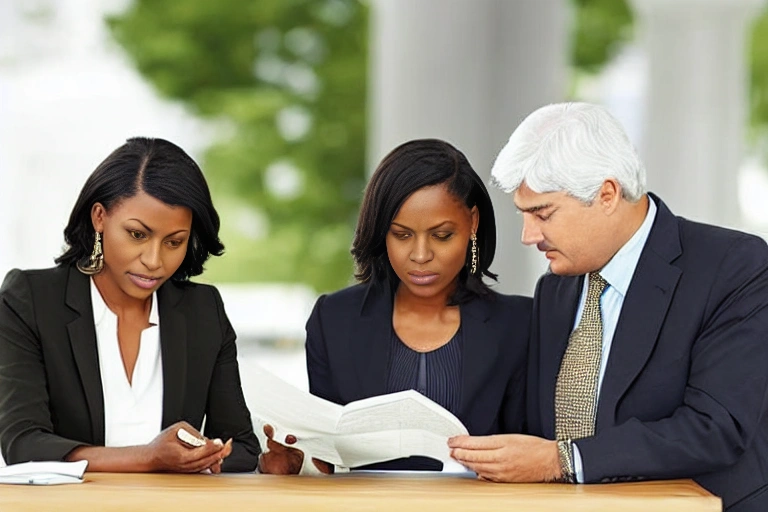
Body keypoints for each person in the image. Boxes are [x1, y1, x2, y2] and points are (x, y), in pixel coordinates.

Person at [447, 102, 768, 511]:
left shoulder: (733, 267)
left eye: (542, 214)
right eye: (523, 215)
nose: (529, 235)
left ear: (607, 194)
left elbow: (715, 428)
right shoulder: (554, 292)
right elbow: (535, 430)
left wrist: (560, 460)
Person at [0, 137, 290, 474]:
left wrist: (209, 455)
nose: (154, 261)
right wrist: (149, 457)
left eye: (174, 242)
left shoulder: (202, 310)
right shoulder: (31, 300)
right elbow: (23, 444)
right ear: (99, 217)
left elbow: (239, 446)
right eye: (138, 235)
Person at [305, 138, 531, 471]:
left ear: (473, 223)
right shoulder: (334, 319)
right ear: (381, 232)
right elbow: (324, 458)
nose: (421, 255)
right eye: (402, 235)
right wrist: (295, 457)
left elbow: (531, 454)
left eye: (441, 235)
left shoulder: (520, 325)